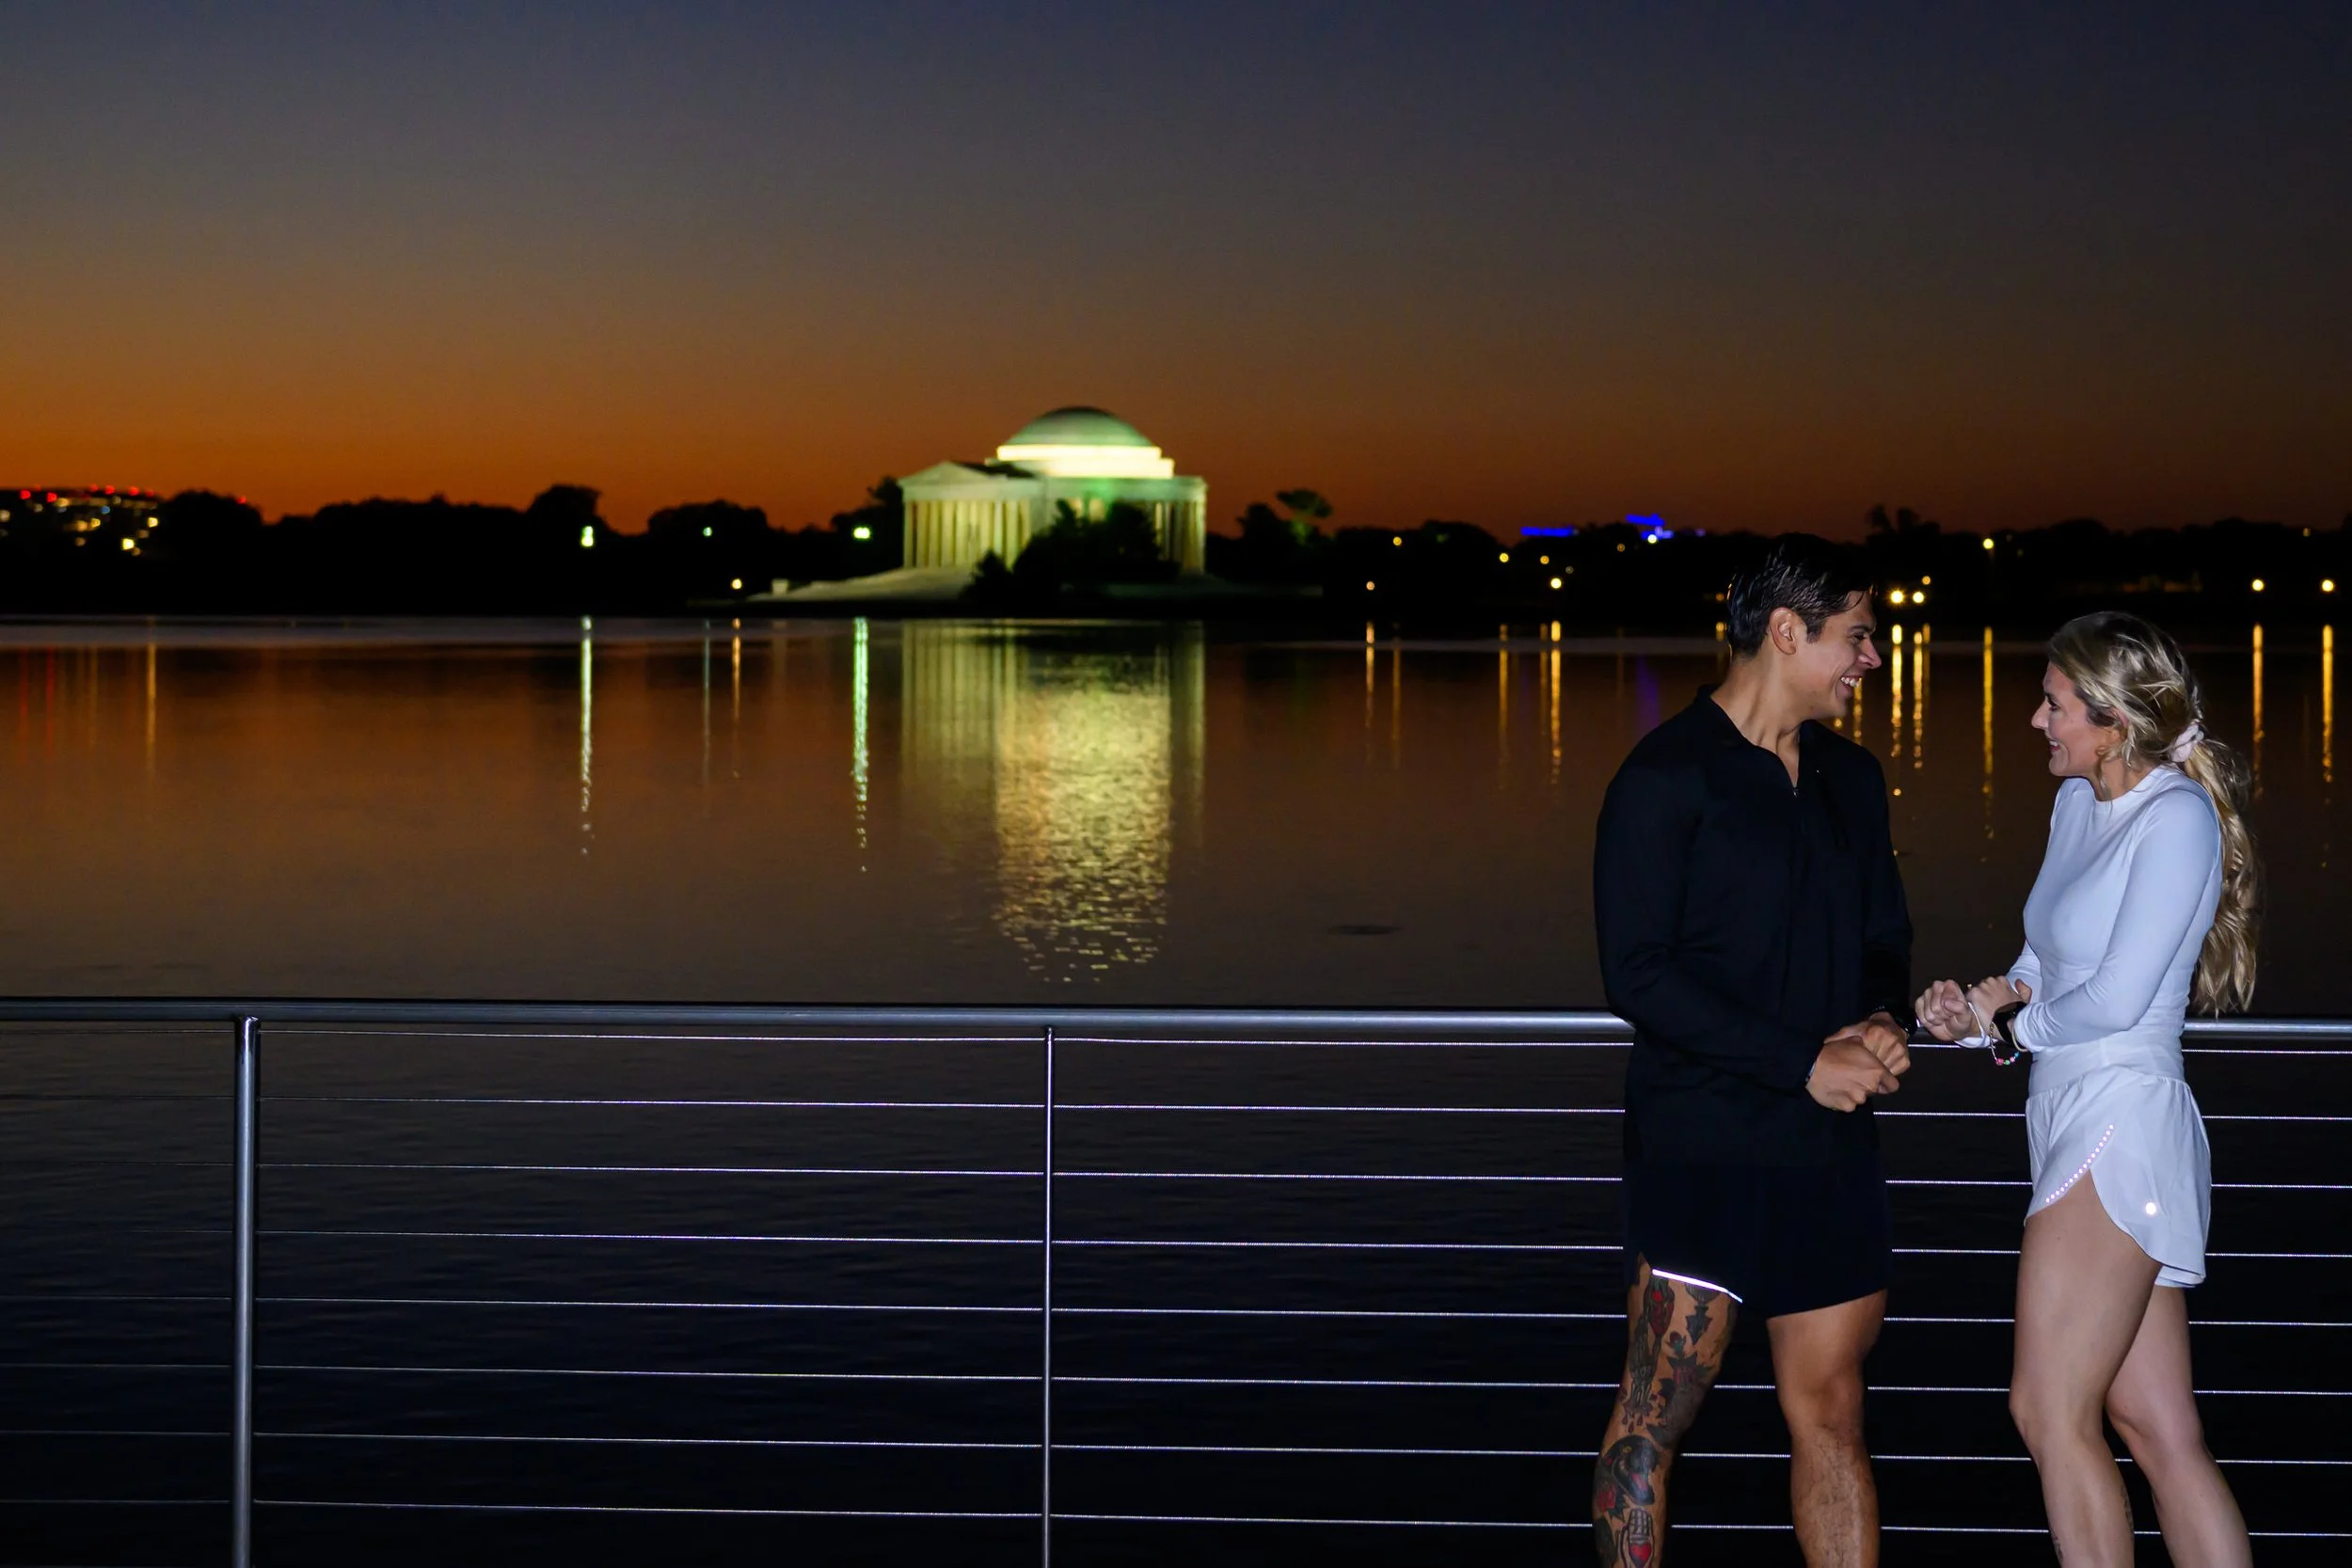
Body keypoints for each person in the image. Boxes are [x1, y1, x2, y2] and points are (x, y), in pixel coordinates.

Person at [1591, 534, 1914, 1567]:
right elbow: (1637, 974)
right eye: (1856, 636)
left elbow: (1884, 939)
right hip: (1700, 1147)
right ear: (1785, 631)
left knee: (1834, 1411)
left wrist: (1882, 1017)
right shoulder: (1662, 777)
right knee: (1653, 1419)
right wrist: (1800, 1061)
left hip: (1829, 1154)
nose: (1872, 657)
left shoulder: (1853, 778)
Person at [1915, 612, 2255, 1566]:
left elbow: (2116, 998)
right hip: (2068, 1114)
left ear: (2111, 722)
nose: (2037, 720)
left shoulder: (2176, 817)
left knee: (2046, 1405)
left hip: (2121, 1120)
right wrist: (1976, 1011)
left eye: (2054, 703)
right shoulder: (2075, 803)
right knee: (2154, 1424)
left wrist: (2013, 1027)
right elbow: (2044, 966)